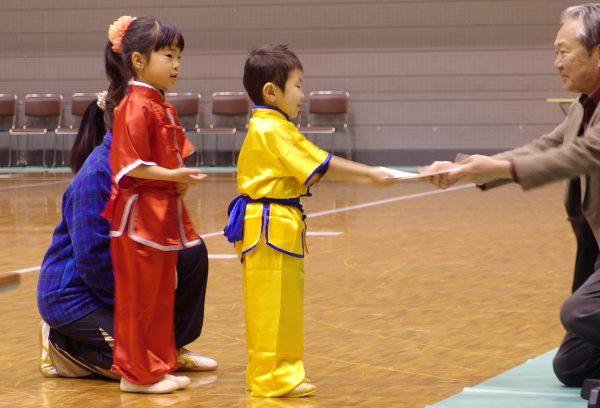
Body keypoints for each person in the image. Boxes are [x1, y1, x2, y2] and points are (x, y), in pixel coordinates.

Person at [422, 3, 600, 388]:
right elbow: (543, 147)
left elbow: (580, 155)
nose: (556, 63)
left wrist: (498, 169)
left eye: (564, 51)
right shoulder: (582, 108)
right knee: (572, 365)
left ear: (598, 53)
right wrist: (467, 169)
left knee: (581, 313)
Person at [223, 44, 399, 398]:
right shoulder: (272, 129)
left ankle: (283, 371)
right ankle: (268, 376)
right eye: (298, 85)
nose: (303, 94)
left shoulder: (275, 126)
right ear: (271, 92)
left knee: (285, 307)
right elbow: (322, 163)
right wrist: (370, 175)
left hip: (281, 224)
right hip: (268, 225)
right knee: (270, 307)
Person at [37, 95, 217, 384]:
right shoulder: (94, 177)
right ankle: (60, 346)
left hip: (123, 283)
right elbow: (93, 263)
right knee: (139, 366)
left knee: (190, 251)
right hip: (76, 297)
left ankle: (171, 347)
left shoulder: (147, 169)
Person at [99, 15, 210, 393]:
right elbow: (130, 168)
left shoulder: (164, 107)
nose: (176, 65)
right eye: (168, 55)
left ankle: (158, 366)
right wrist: (176, 177)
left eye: (179, 56)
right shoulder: (133, 106)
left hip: (161, 219)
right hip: (137, 222)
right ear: (139, 61)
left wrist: (180, 181)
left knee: (162, 296)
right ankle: (135, 373)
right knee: (138, 300)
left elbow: (173, 159)